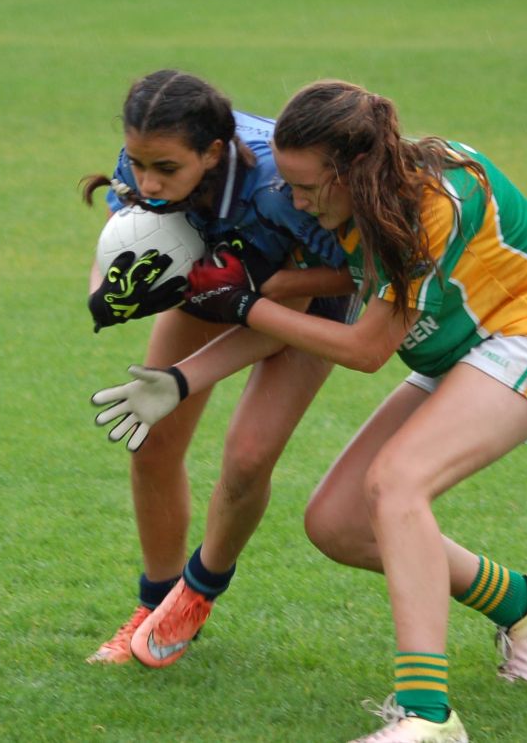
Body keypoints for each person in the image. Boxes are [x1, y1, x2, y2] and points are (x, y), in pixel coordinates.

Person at [92, 80, 527, 743]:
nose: (293, 199)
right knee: (336, 522)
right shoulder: (357, 202)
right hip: (468, 355)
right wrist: (187, 367)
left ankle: (427, 715)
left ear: (351, 172)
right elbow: (330, 288)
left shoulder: (430, 203)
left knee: (396, 484)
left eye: (305, 188)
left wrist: (247, 301)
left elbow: (365, 348)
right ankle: (522, 601)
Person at [81, 70, 354, 668]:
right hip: (217, 281)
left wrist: (263, 284)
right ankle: (153, 607)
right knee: (150, 441)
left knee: (248, 457)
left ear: (211, 153)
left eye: (165, 170)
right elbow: (120, 237)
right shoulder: (144, 164)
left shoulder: (280, 186)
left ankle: (197, 594)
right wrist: (104, 293)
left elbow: (356, 275)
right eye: (137, 162)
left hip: (307, 295)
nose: (147, 182)